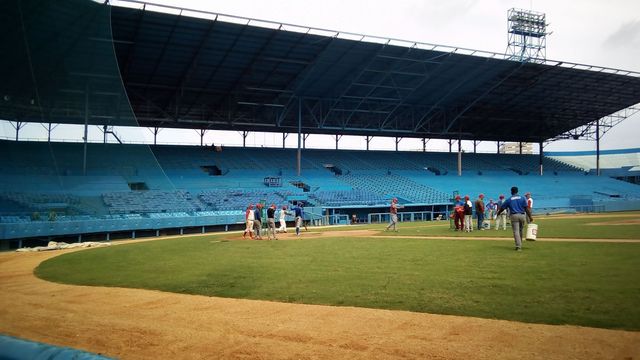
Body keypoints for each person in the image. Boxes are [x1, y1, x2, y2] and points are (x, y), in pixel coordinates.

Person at [496, 186, 534, 251]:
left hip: (514, 216)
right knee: (520, 230)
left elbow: (502, 208)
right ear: (517, 191)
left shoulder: (509, 199)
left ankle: (518, 246)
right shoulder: (522, 198)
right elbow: (526, 208)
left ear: (511, 191)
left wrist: (498, 213)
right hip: (522, 215)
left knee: (516, 231)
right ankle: (520, 243)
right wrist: (530, 217)